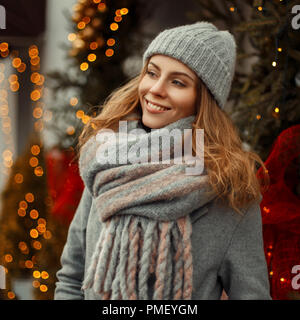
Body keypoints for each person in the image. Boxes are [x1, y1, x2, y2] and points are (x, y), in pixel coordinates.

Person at [54, 21, 271, 300]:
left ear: (202, 99)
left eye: (178, 82)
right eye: (152, 73)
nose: (155, 89)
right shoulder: (108, 164)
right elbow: (72, 278)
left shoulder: (227, 190)